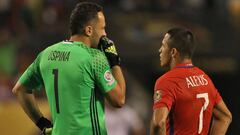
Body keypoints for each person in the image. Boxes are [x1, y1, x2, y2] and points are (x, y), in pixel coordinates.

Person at [12, 2, 126, 135]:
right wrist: (114, 61)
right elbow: (119, 100)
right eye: (103, 28)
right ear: (89, 30)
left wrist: (42, 123)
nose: (105, 34)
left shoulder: (46, 54)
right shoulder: (94, 57)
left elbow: (20, 89)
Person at [150, 27, 232, 135]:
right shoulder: (205, 79)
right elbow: (225, 117)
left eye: (163, 45)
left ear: (173, 52)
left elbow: (158, 123)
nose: (160, 50)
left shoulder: (166, 81)